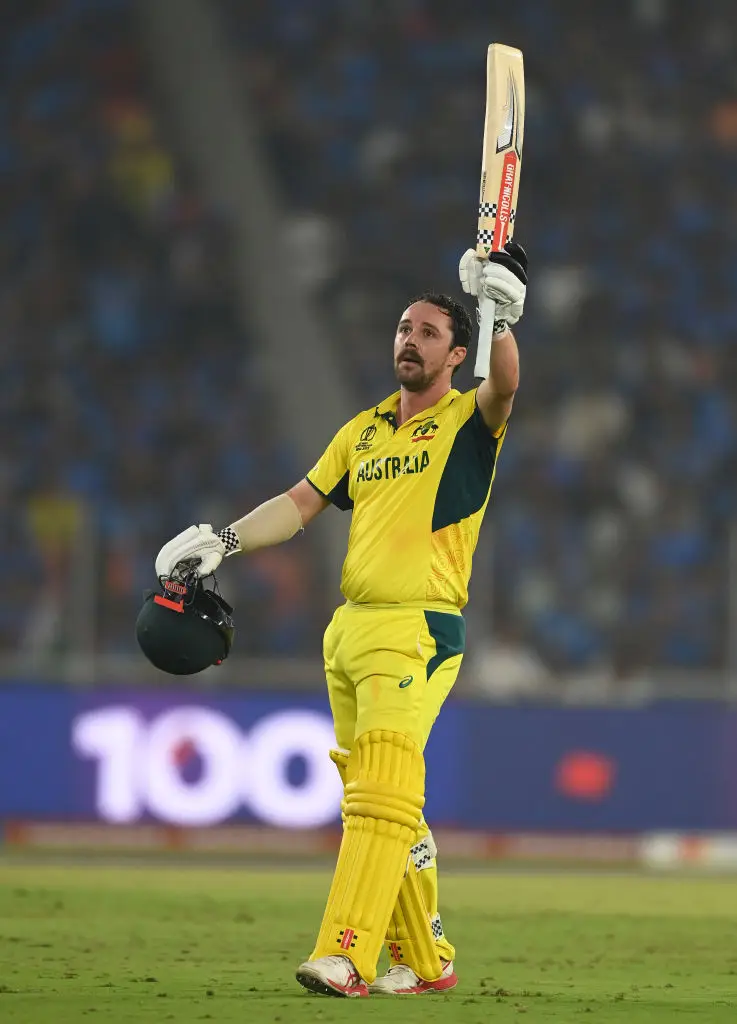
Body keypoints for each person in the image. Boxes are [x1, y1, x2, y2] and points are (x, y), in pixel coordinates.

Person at [154, 243, 527, 996]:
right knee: (378, 796)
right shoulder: (363, 431)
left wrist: (502, 318)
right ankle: (425, 960)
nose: (409, 340)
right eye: (404, 328)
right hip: (350, 630)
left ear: (457, 355)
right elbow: (299, 504)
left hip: (418, 626)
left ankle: (346, 953)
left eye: (428, 333)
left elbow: (506, 386)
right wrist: (224, 541)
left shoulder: (466, 419)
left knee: (383, 791)